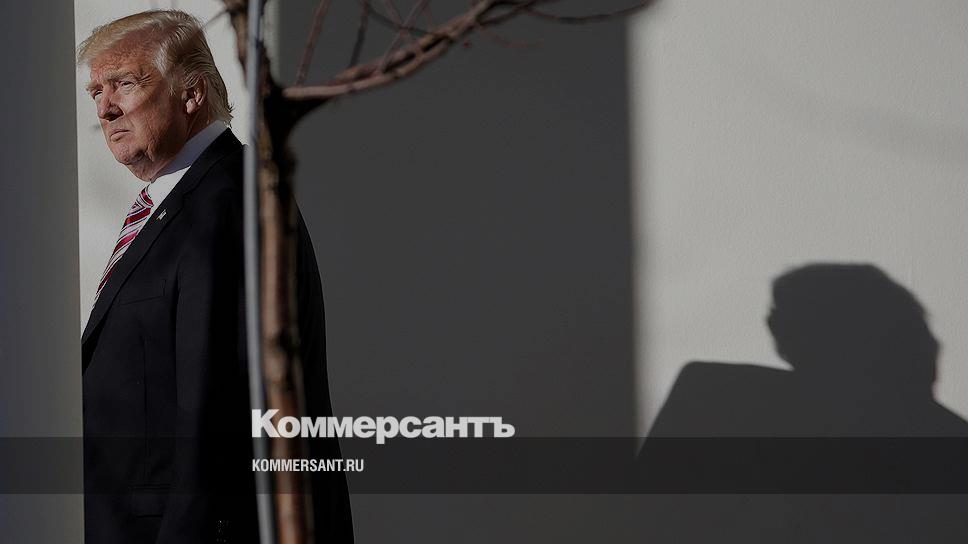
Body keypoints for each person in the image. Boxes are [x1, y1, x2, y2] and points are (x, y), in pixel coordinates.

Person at [77, 10, 353, 543]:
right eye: (96, 92)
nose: (105, 108)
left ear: (192, 93)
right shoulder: (186, 201)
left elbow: (217, 410)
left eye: (125, 84)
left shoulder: (224, 205)